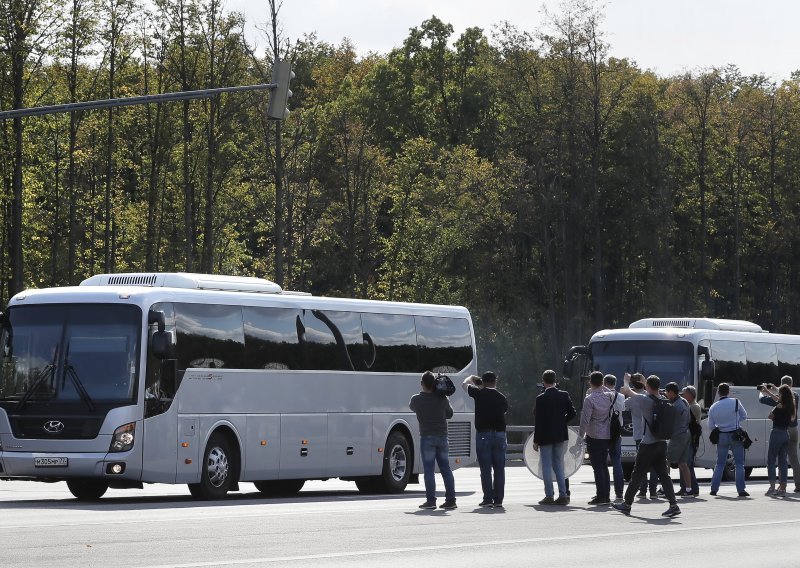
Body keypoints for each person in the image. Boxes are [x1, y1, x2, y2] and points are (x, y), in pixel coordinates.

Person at [612, 374, 681, 517]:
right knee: (664, 475)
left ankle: (626, 504)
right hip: (662, 443)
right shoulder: (663, 399)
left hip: (648, 444)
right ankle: (674, 505)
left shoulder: (645, 400)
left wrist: (627, 379)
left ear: (647, 387)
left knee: (637, 474)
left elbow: (626, 390)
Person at [409, 371, 456, 510]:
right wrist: (443, 394)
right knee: (445, 469)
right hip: (442, 437)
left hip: (427, 437)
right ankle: (451, 500)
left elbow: (412, 407)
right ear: (434, 383)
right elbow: (450, 414)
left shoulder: (416, 399)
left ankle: (431, 501)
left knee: (429, 470)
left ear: (422, 384)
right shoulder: (442, 399)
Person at [462, 371, 508, 508]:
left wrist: (471, 378)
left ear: (483, 381)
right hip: (499, 434)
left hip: (483, 434)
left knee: (486, 468)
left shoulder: (479, 394)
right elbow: (504, 411)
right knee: (499, 468)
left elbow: (464, 385)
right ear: (496, 381)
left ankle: (488, 498)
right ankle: (498, 499)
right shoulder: (502, 397)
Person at [533, 369, 577, 505]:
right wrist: (562, 422)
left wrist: (536, 440)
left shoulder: (540, 398)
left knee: (546, 465)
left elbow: (538, 421)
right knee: (559, 464)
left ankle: (549, 495)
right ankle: (563, 494)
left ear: (543, 381)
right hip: (560, 434)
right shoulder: (564, 395)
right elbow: (572, 413)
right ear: (555, 380)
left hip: (545, 435)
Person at [759, 376, 800, 493]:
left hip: (780, 431)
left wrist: (764, 392)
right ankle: (794, 485)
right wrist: (777, 390)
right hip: (793, 430)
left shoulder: (780, 404)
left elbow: (764, 401)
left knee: (773, 459)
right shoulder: (794, 399)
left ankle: (773, 486)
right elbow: (786, 397)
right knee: (792, 459)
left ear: (781, 385)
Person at [708, 382, 749, 497]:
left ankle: (714, 489)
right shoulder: (735, 402)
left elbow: (711, 425)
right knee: (739, 463)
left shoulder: (713, 407)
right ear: (729, 391)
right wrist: (735, 422)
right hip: (735, 435)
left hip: (721, 435)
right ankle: (741, 490)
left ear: (718, 392)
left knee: (720, 463)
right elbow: (744, 415)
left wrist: (721, 426)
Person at [579, 371, 613, 505]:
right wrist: (602, 385)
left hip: (594, 435)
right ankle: (606, 495)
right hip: (606, 434)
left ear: (590, 382)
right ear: (602, 382)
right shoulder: (609, 396)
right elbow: (611, 391)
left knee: (597, 467)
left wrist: (580, 436)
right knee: (603, 465)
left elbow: (585, 420)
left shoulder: (589, 399)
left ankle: (601, 496)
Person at [623, 373, 658, 498]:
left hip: (639, 435)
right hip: (654, 434)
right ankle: (653, 491)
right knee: (654, 463)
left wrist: (626, 382)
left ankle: (643, 490)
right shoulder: (651, 396)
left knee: (642, 464)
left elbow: (622, 405)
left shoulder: (631, 400)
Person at [664, 382, 693, 496]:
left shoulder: (675, 405)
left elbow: (668, 421)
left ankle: (665, 488)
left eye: (667, 392)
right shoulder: (684, 401)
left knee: (666, 460)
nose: (666, 395)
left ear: (671, 392)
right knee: (682, 463)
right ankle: (689, 490)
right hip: (686, 434)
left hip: (677, 435)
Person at [603, 374, 626, 502]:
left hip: (603, 431)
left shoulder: (603, 395)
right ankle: (619, 493)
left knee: (602, 462)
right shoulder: (621, 396)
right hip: (617, 432)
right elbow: (622, 409)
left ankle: (605, 492)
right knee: (617, 462)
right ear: (615, 383)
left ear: (605, 383)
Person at [678, 385, 701, 495]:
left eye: (684, 394)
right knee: (682, 464)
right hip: (684, 437)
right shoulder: (687, 404)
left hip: (690, 439)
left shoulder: (694, 406)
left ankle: (693, 488)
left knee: (687, 464)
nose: (682, 396)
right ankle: (684, 488)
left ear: (691, 395)